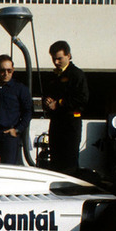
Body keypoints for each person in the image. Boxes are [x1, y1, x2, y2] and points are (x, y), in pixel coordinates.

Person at [42, 40, 88, 174]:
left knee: (69, 163)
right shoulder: (53, 77)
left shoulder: (76, 75)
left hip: (70, 125)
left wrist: (59, 103)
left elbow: (82, 99)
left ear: (68, 55)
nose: (56, 62)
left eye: (59, 58)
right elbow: (47, 95)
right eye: (53, 59)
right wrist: (46, 101)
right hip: (56, 124)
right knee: (55, 161)